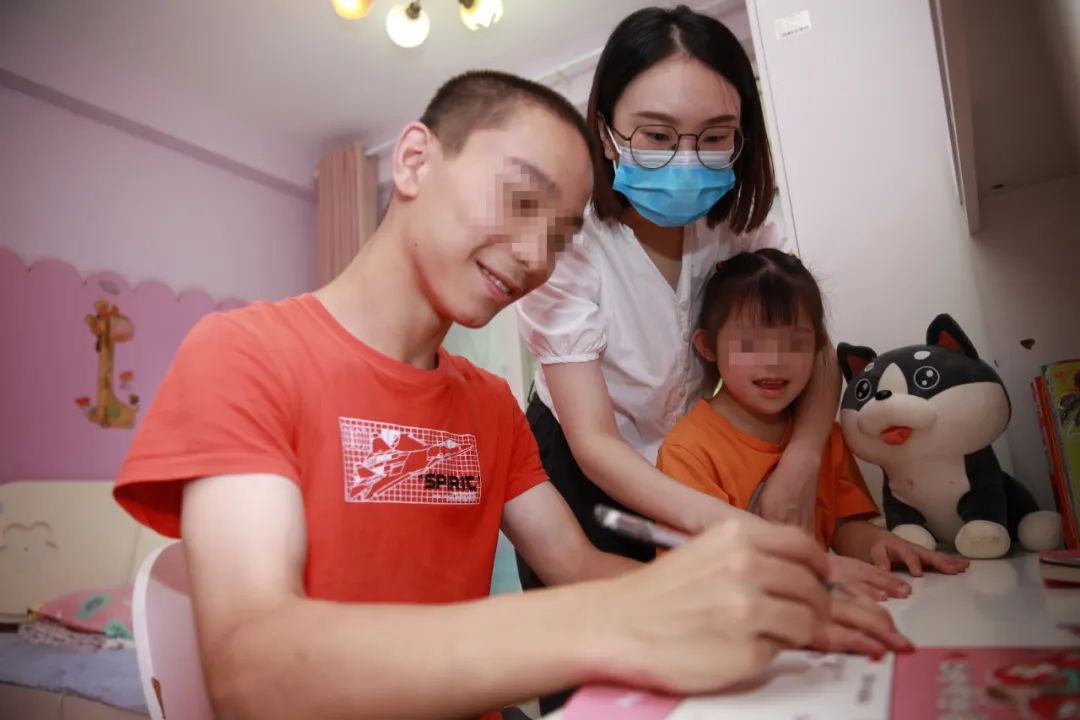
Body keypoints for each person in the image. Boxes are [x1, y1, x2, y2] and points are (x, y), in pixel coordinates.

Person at [112, 71, 905, 720]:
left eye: (559, 237)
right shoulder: (245, 353)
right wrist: (621, 622)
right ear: (413, 161)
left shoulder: (489, 403)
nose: (534, 256)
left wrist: (759, 595)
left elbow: (577, 565)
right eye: (520, 201)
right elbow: (253, 672)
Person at [515, 5, 906, 606]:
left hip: (696, 459)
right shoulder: (568, 241)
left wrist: (799, 464)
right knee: (614, 632)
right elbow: (596, 444)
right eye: (657, 136)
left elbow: (816, 353)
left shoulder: (739, 227)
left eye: (716, 136)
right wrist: (755, 535)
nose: (687, 160)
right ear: (606, 131)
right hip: (585, 464)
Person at [657, 249, 971, 597]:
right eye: (751, 344)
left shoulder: (825, 437)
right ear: (708, 346)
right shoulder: (688, 449)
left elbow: (842, 528)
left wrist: (879, 545)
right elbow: (693, 572)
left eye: (795, 343)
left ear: (818, 346)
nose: (775, 362)